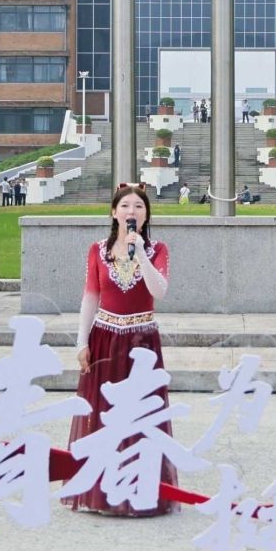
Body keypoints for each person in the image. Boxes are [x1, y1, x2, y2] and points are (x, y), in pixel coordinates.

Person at [67, 185, 176, 516]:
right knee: (104, 415)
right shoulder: (97, 250)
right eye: (125, 205)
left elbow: (159, 290)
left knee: (141, 416)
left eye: (139, 206)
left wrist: (140, 251)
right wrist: (81, 341)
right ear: (114, 212)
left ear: (146, 214)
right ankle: (102, 491)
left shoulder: (157, 249)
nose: (132, 211)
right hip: (105, 338)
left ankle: (141, 489)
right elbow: (90, 296)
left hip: (142, 343)